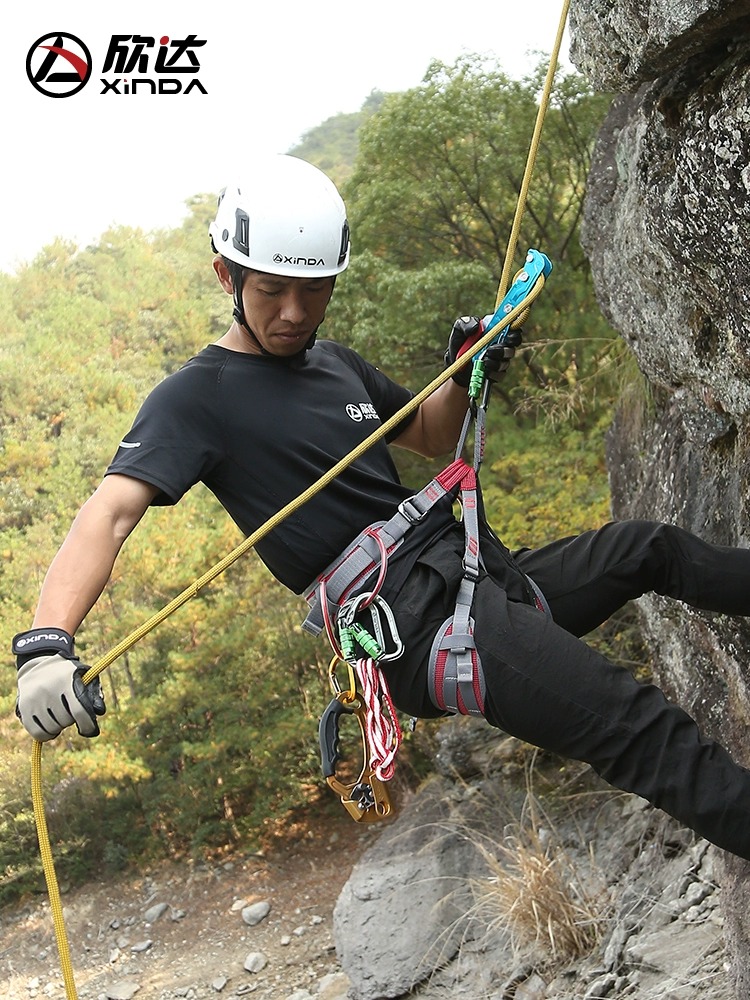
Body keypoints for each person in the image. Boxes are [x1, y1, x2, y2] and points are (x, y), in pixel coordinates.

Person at [13, 154, 750, 861]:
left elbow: (430, 435)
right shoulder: (195, 399)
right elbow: (109, 511)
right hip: (418, 624)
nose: (296, 312)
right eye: (271, 290)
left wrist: (469, 363)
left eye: (317, 289)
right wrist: (47, 644)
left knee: (652, 549)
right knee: (633, 722)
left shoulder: (336, 365)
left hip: (473, 573)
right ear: (226, 275)